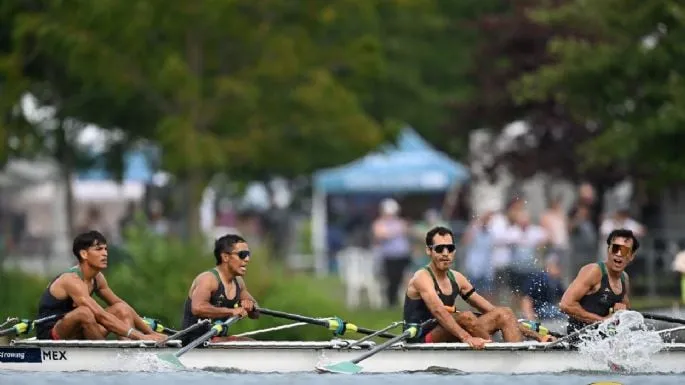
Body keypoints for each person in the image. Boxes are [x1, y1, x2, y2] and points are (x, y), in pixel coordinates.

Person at [403, 226, 555, 350]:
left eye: (449, 248)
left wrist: (537, 336)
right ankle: (497, 353)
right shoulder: (422, 278)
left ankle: (517, 358)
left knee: (504, 313)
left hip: (452, 331)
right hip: (423, 337)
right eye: (439, 249)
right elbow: (439, 312)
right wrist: (467, 338)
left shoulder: (457, 278)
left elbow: (490, 310)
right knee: (466, 316)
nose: (445, 254)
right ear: (429, 251)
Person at [35, 231, 166, 341]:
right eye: (98, 249)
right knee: (84, 312)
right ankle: (105, 356)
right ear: (84, 254)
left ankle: (130, 353)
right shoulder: (71, 280)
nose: (105, 253)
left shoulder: (98, 278)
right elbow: (100, 315)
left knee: (121, 309)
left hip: (80, 330)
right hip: (52, 333)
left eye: (105, 249)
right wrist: (140, 336)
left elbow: (122, 306)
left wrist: (150, 333)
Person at [180, 234, 259, 345]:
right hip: (194, 342)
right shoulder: (208, 279)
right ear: (225, 257)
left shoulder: (239, 282)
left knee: (251, 343)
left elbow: (257, 313)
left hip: (216, 341)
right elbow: (197, 308)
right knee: (248, 344)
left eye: (248, 254)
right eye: (242, 254)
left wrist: (250, 306)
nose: (247, 259)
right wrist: (232, 311)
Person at [559, 228, 637, 335]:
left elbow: (625, 310)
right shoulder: (593, 271)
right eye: (615, 248)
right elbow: (565, 305)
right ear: (608, 250)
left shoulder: (624, 278)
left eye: (624, 250)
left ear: (631, 256)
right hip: (579, 340)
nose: (618, 254)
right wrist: (602, 321)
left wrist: (621, 312)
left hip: (603, 342)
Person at [521, 257, 566, 321]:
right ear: (549, 267)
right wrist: (530, 317)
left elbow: (564, 298)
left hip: (548, 310)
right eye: (558, 267)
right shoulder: (539, 279)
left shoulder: (556, 282)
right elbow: (527, 299)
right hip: (538, 312)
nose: (560, 271)